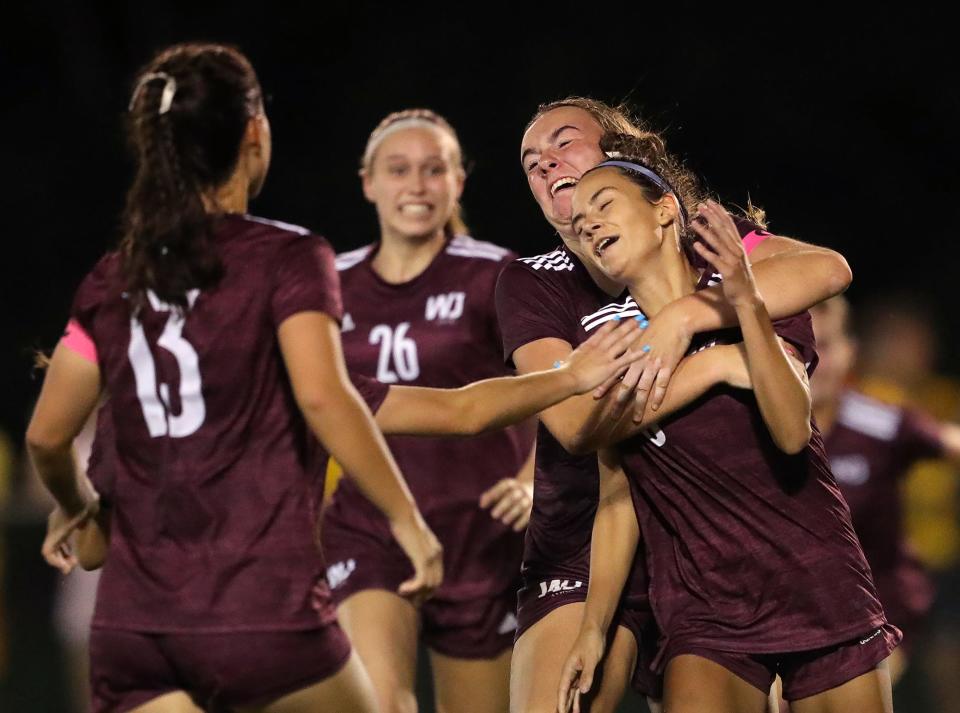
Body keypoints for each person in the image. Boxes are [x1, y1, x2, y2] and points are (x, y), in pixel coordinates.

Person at [26, 42, 444, 713]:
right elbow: (320, 393)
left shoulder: (112, 277)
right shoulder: (288, 257)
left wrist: (75, 504)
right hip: (261, 614)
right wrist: (408, 519)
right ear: (254, 132)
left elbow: (47, 434)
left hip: (136, 631)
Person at [496, 97, 855, 713]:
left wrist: (689, 315)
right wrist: (713, 361)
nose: (547, 164)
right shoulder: (532, 279)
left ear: (622, 157)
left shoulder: (710, 252)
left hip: (713, 547)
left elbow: (829, 268)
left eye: (565, 143)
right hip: (590, 538)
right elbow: (582, 428)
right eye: (531, 162)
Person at [558, 134, 898, 713]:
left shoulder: (756, 293)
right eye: (580, 220)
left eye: (604, 203)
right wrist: (592, 628)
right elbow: (618, 499)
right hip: (704, 611)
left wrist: (744, 305)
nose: (587, 224)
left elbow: (792, 431)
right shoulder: (611, 350)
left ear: (664, 209)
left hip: (816, 586)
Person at [322, 108, 540, 713]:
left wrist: (531, 480)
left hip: (484, 534)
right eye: (398, 170)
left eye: (433, 169)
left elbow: (561, 387)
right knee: (383, 703)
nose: (416, 185)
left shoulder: (498, 274)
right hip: (372, 527)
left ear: (458, 182)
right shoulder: (326, 284)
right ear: (368, 181)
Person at [810, 295, 960, 685]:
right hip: (789, 615)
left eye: (824, 346)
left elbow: (950, 442)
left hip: (880, 615)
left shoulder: (879, 423)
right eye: (795, 345)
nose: (810, 360)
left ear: (848, 354)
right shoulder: (741, 428)